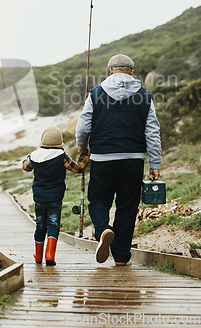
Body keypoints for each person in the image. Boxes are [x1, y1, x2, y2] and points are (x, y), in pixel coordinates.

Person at [76, 54, 162, 266]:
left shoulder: (96, 93)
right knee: (127, 206)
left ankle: (103, 229)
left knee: (98, 200)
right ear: (131, 71)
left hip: (102, 158)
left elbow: (84, 125)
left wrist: (82, 146)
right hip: (133, 160)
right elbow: (152, 132)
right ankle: (122, 257)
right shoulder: (144, 96)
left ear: (110, 71)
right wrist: (155, 163)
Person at [22, 126, 89, 266]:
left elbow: (25, 166)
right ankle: (49, 255)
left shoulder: (35, 155)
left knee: (40, 225)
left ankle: (38, 255)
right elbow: (77, 168)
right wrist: (84, 155)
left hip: (39, 198)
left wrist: (32, 153)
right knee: (53, 225)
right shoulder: (61, 156)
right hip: (55, 198)